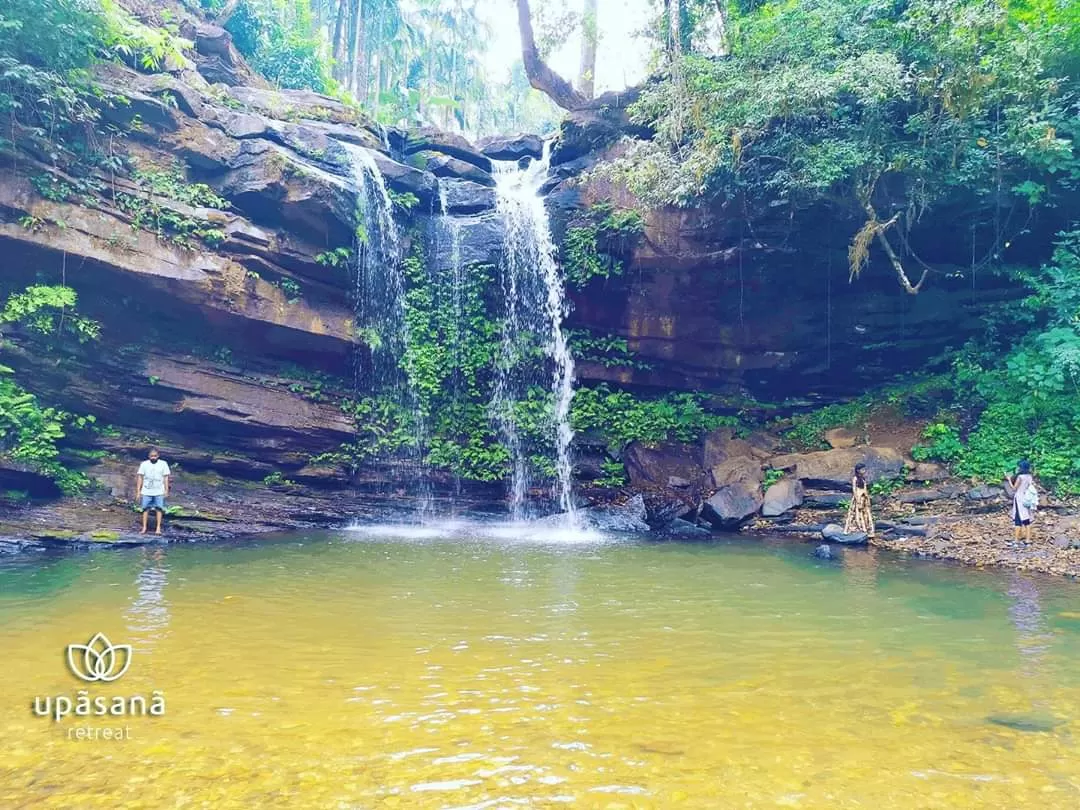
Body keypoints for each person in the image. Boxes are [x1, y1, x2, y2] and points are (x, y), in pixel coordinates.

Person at [136, 447, 171, 535]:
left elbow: (165, 478)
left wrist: (166, 490)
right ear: (149, 456)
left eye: (155, 456)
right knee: (145, 509)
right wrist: (138, 491)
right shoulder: (144, 464)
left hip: (159, 490)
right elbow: (140, 478)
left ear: (158, 456)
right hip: (146, 490)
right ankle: (144, 528)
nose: (153, 457)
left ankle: (158, 528)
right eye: (151, 456)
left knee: (159, 509)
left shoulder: (163, 464)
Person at [1005, 460, 1036, 542]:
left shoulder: (1020, 477)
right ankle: (1028, 540)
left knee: (1018, 519)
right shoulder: (1029, 476)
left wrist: (1009, 480)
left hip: (1019, 498)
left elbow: (1014, 488)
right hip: (1027, 498)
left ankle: (1016, 540)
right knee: (1026, 519)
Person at [844, 463, 875, 538]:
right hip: (858, 497)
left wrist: (867, 497)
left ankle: (867, 528)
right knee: (857, 512)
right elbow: (854, 489)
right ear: (858, 470)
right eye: (862, 469)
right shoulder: (855, 478)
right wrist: (857, 499)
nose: (864, 471)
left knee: (865, 513)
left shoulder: (863, 478)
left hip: (863, 497)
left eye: (864, 469)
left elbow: (865, 488)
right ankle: (858, 527)